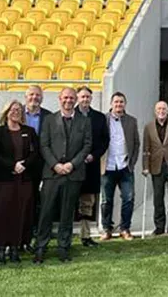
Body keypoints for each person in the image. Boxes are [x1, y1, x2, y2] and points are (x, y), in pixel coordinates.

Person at [34, 87, 92, 264]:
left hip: (73, 174)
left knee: (67, 213)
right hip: (52, 173)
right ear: (59, 99)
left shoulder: (85, 121)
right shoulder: (49, 120)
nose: (68, 100)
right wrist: (56, 165)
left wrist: (71, 164)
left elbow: (87, 146)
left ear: (76, 100)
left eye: (71, 98)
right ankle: (40, 247)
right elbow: (44, 145)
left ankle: (63, 247)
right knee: (46, 212)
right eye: (65, 97)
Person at [0, 100, 40, 265]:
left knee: (21, 213)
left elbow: (35, 153)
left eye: (19, 110)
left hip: (24, 179)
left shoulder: (30, 131)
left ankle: (15, 247)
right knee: (2, 213)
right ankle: (0, 248)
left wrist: (24, 165)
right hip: (3, 179)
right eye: (13, 110)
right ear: (6, 112)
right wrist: (12, 165)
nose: (16, 112)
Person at [100, 92, 140, 241]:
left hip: (125, 167)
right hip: (107, 166)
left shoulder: (131, 121)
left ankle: (125, 229)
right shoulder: (103, 120)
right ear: (111, 104)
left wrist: (132, 162)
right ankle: (106, 229)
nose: (119, 105)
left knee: (128, 199)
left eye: (121, 102)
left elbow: (136, 143)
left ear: (125, 104)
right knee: (106, 200)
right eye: (116, 102)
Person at [75, 86, 109, 247]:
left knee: (87, 203)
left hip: (91, 166)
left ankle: (85, 235)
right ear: (77, 97)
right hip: (72, 166)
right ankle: (66, 235)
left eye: (88, 97)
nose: (85, 99)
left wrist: (93, 155)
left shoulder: (99, 117)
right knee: (69, 202)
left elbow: (104, 141)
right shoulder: (69, 115)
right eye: (82, 97)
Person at [142, 101, 168, 237]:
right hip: (156, 166)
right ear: (155, 111)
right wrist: (145, 166)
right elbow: (146, 149)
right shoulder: (148, 127)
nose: (161, 111)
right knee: (158, 199)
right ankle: (159, 227)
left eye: (164, 108)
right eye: (159, 108)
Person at [24, 85, 52, 252]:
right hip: (20, 165)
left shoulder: (48, 116)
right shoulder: (16, 113)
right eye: (31, 95)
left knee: (36, 201)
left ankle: (34, 234)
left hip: (41, 165)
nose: (34, 98)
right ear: (26, 96)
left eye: (38, 95)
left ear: (42, 98)